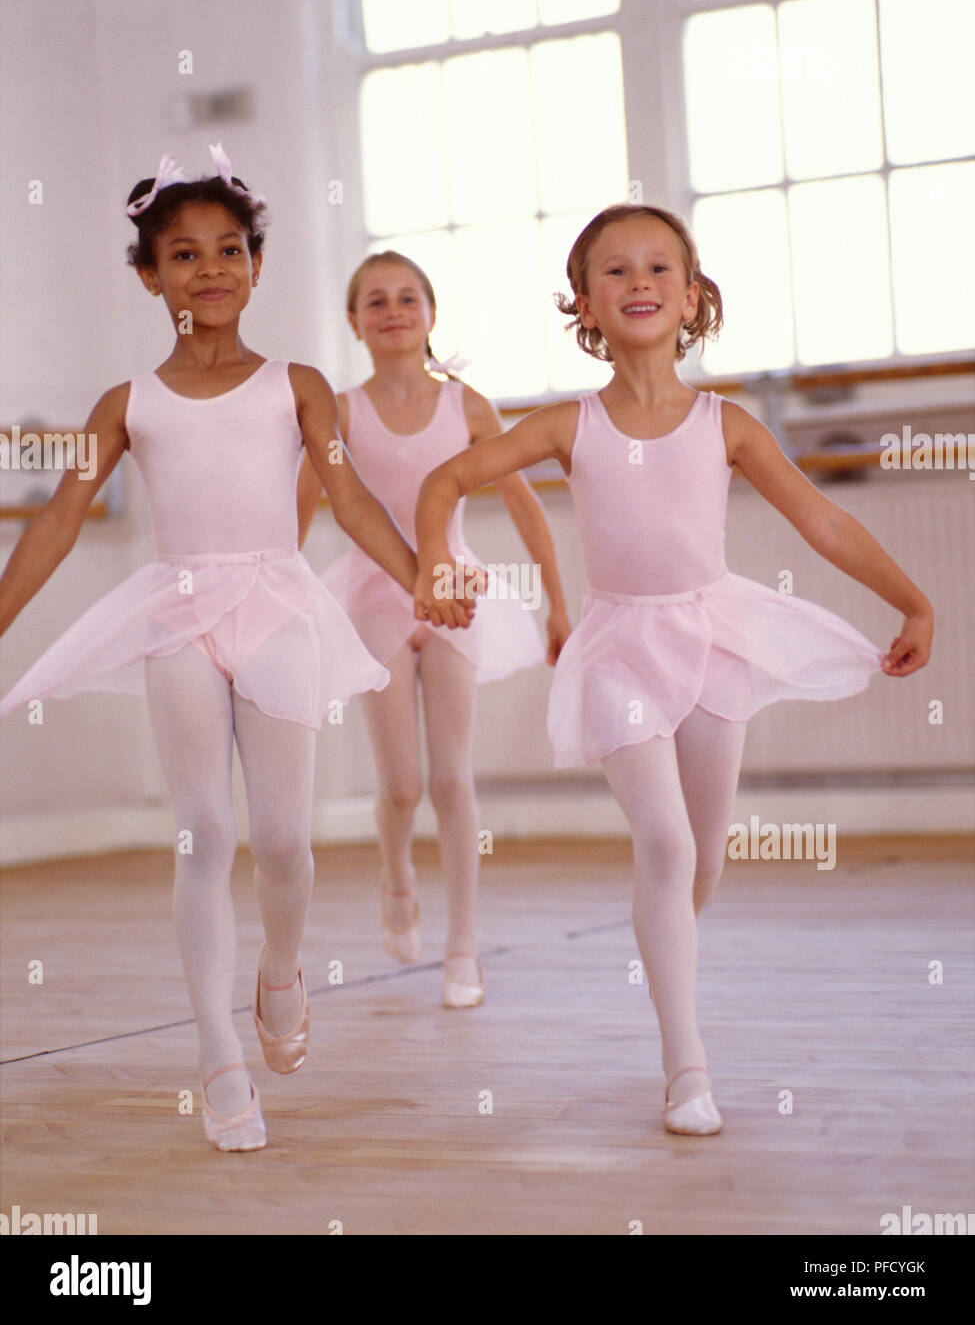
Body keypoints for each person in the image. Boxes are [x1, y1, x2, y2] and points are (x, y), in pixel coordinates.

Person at [412, 203, 933, 1133]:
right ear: (584, 304)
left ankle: (665, 948)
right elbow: (443, 482)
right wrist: (436, 561)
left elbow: (823, 520)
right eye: (614, 271)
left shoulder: (724, 424)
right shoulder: (566, 425)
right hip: (618, 648)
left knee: (702, 860)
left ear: (693, 297)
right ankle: (685, 1065)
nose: (638, 282)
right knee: (666, 846)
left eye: (659, 268)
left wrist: (912, 600)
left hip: (713, 636)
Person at [0, 148, 475, 1152]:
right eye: (183, 254)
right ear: (149, 276)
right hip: (176, 611)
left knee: (286, 845)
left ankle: (281, 970)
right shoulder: (125, 403)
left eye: (228, 250)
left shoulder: (299, 386)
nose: (208, 269)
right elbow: (58, 518)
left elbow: (349, 500)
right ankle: (219, 1058)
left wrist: (425, 576)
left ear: (256, 265)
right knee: (203, 834)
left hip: (277, 603)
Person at [297, 251, 570, 1007]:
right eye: (375, 301)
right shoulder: (341, 412)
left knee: (451, 778)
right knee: (401, 785)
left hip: (455, 596)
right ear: (354, 322)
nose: (392, 310)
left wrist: (556, 598)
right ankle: (395, 878)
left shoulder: (467, 407)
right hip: (372, 596)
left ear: (430, 314)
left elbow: (521, 501)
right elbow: (301, 506)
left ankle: (463, 946)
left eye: (407, 297)